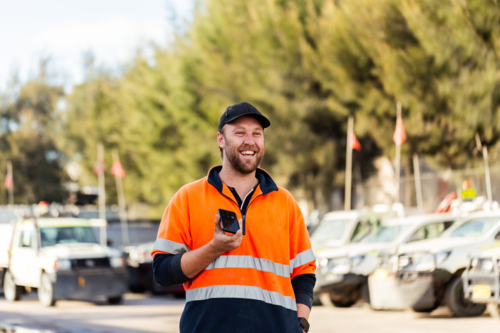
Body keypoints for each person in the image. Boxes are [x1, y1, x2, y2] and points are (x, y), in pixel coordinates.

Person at [152, 102, 316, 333]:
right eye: (240, 132)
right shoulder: (187, 197)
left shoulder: (285, 202)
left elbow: (304, 272)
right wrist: (213, 248)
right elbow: (162, 272)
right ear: (221, 139)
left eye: (256, 133)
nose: (250, 141)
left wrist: (301, 324)